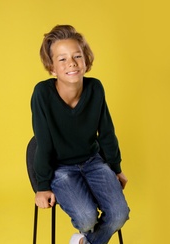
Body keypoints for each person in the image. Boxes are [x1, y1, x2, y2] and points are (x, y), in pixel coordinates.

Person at [31, 24, 130, 244]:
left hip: (93, 162)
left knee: (120, 215)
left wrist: (116, 168)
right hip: (61, 168)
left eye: (77, 56)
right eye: (62, 59)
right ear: (52, 67)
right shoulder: (42, 94)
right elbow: (44, 143)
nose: (72, 63)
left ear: (86, 60)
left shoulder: (95, 88)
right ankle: (87, 236)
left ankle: (83, 242)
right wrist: (43, 186)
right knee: (86, 219)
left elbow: (106, 132)